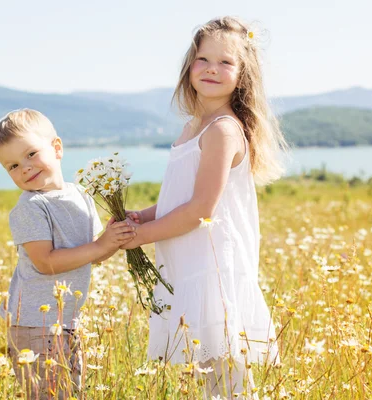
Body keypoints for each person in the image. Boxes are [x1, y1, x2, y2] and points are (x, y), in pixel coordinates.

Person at [121, 17, 287, 399]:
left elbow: (200, 210)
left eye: (226, 62)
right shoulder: (194, 125)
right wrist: (141, 217)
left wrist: (139, 237)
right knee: (207, 380)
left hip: (212, 266)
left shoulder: (223, 130)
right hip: (188, 261)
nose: (212, 68)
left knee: (227, 380)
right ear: (189, 67)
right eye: (203, 59)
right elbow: (177, 199)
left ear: (243, 75)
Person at [0, 109, 136, 399]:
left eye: (31, 154)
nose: (25, 168)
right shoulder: (30, 207)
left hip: (66, 321)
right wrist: (99, 246)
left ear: (57, 148)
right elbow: (45, 263)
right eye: (13, 166)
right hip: (35, 324)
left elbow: (92, 252)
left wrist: (112, 238)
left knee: (71, 393)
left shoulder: (80, 195)